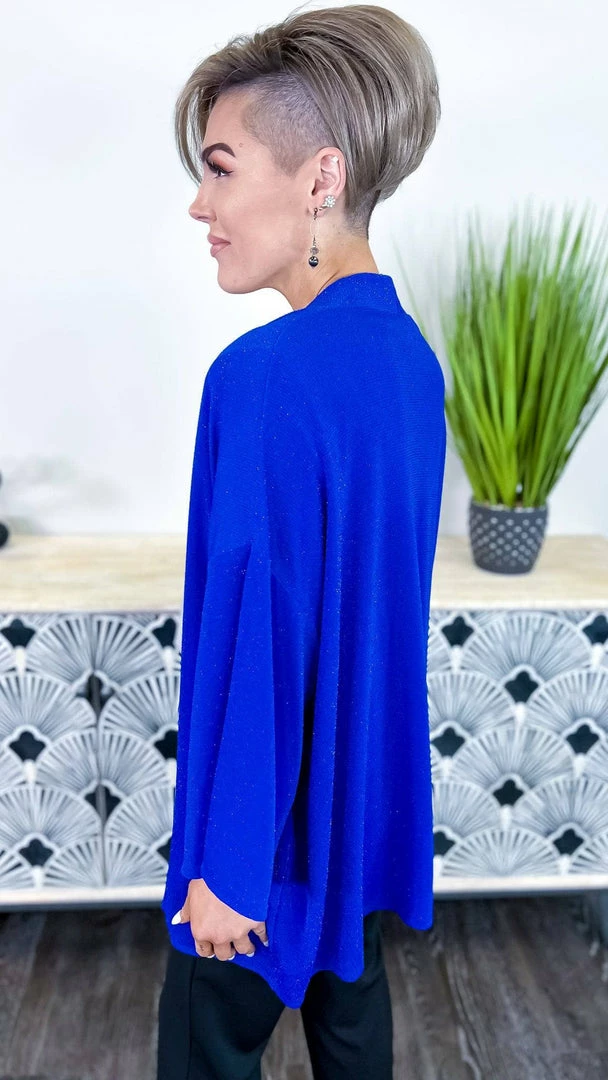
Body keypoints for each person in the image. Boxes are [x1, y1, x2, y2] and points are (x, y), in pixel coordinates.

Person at [156, 4, 445, 1077]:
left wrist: (227, 863)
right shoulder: (410, 363)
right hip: (353, 821)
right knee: (354, 1039)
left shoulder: (264, 375)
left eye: (220, 169)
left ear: (320, 177)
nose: (201, 204)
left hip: (264, 848)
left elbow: (265, 631)